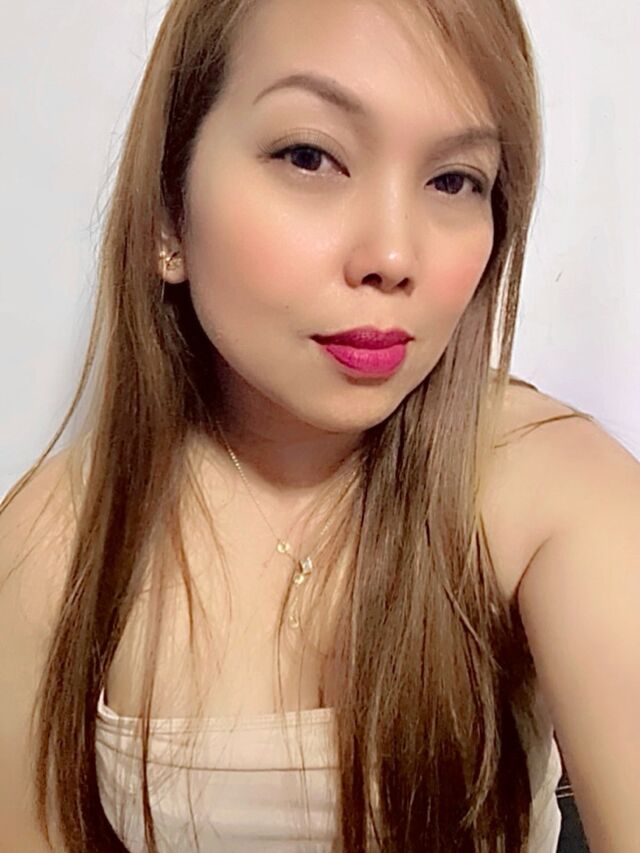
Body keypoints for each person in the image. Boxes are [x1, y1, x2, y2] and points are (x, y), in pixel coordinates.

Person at [1, 0, 638, 850]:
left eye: (454, 180)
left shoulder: (550, 490)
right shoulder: (52, 545)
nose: (393, 255)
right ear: (167, 214)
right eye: (309, 156)